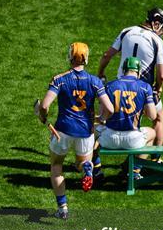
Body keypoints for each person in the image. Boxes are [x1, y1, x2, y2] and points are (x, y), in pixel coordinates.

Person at [37, 42, 114, 219]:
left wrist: (42, 116)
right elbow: (109, 108)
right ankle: (87, 167)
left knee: (56, 166)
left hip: (62, 130)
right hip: (86, 131)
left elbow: (45, 105)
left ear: (70, 56)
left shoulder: (60, 79)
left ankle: (62, 208)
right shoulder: (95, 81)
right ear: (86, 59)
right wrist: (101, 119)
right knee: (81, 163)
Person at [98, 7, 163, 163]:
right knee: (158, 118)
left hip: (119, 86)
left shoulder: (127, 31)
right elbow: (162, 75)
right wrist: (158, 88)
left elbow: (107, 55)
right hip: (144, 88)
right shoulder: (158, 41)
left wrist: (101, 72)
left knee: (108, 119)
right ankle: (155, 158)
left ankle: (93, 163)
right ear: (156, 23)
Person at [95, 57, 157, 180]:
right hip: (133, 140)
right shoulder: (145, 87)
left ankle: (96, 170)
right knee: (152, 132)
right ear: (138, 71)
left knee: (89, 131)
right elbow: (153, 116)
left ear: (124, 70)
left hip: (110, 138)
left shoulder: (110, 86)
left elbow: (101, 114)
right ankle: (135, 171)